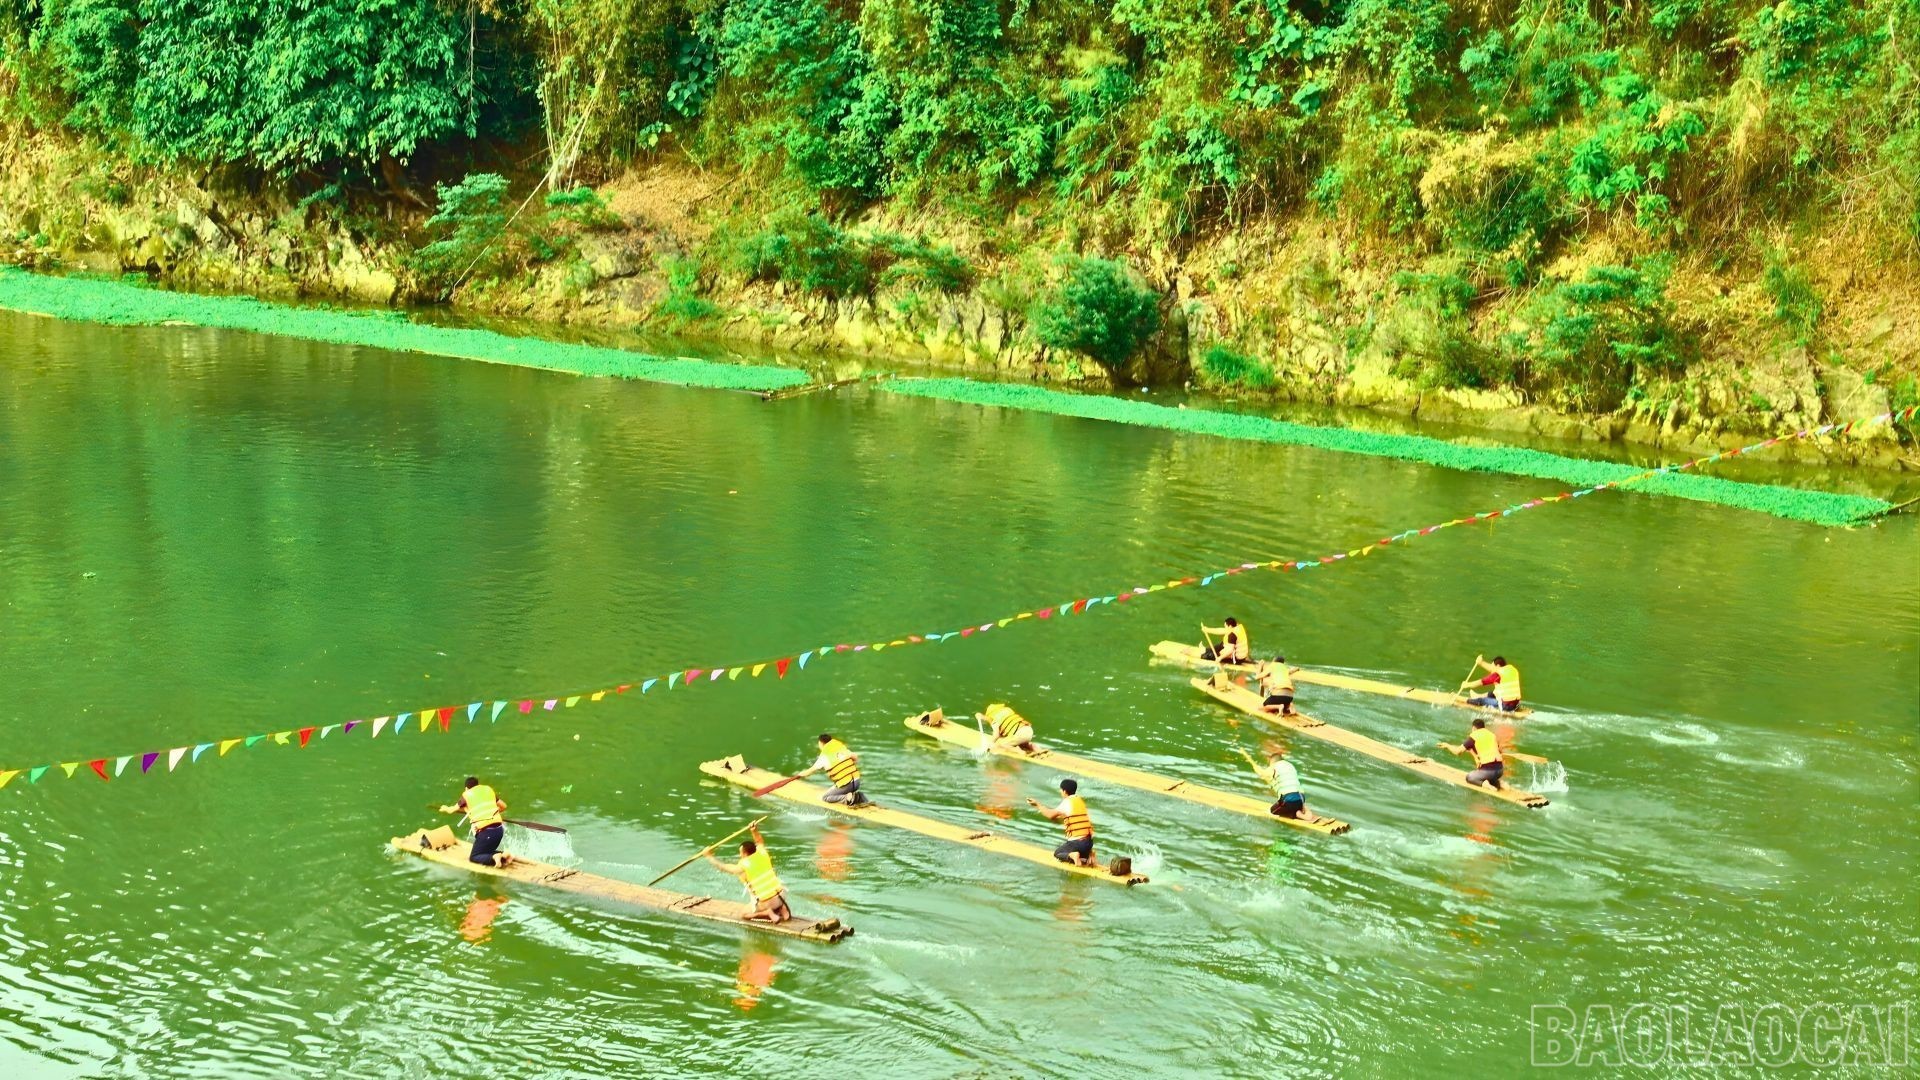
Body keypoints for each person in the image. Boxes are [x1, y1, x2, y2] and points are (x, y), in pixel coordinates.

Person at [705, 823, 792, 924]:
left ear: (745, 853)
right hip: (782, 895)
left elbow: (722, 867)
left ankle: (767, 913)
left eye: (740, 852)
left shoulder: (742, 866)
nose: (740, 854)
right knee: (771, 895)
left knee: (743, 914)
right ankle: (781, 908)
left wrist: (709, 856)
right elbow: (759, 841)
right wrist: (754, 830)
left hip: (768, 902)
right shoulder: (762, 853)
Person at [440, 776, 514, 868]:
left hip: (487, 833)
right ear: (478, 785)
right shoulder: (487, 790)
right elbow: (503, 806)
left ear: (466, 788)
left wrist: (444, 808)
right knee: (485, 852)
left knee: (474, 857)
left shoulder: (467, 795)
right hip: (499, 830)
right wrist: (490, 813)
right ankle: (504, 855)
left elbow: (451, 810)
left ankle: (496, 856)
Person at [1027, 778, 1096, 866]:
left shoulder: (1067, 802)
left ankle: (1073, 855)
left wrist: (1037, 805)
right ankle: (1089, 855)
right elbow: (1069, 817)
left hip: (1078, 843)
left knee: (1058, 854)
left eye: (1060, 790)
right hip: (1089, 842)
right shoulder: (1079, 800)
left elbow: (1050, 815)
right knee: (1081, 855)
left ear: (1064, 791)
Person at [799, 733, 870, 807]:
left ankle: (849, 798)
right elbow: (855, 757)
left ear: (821, 743)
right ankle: (857, 795)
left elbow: (810, 771)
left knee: (825, 797)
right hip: (857, 781)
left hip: (846, 785)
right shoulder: (841, 748)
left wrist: (800, 774)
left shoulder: (824, 757)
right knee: (835, 788)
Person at [1254, 746, 1312, 820]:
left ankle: (1296, 813)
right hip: (1301, 797)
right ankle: (1300, 811)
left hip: (1289, 799)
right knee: (1292, 807)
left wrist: (1257, 769)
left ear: (1272, 761)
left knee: (1272, 811)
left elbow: (1264, 774)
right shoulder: (1290, 765)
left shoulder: (1274, 766)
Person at [1450, 718, 1506, 789]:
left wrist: (1447, 746)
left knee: (1470, 777)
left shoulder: (1474, 735)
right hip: (1500, 769)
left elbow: (1458, 752)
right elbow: (1499, 751)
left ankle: (1486, 785)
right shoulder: (1492, 735)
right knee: (1489, 775)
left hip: (1488, 771)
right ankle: (1499, 783)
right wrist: (1475, 756)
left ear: (1473, 728)